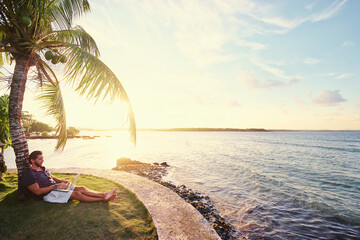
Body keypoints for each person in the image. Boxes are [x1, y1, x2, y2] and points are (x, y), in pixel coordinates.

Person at [22, 150, 117, 203]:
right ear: (32, 160)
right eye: (40, 159)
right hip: (49, 195)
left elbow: (51, 176)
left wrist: (61, 181)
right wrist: (56, 186)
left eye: (43, 158)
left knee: (81, 188)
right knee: (77, 194)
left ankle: (104, 194)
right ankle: (103, 199)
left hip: (56, 188)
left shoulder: (42, 168)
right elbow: (38, 192)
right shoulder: (29, 175)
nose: (42, 161)